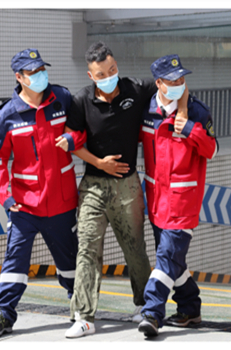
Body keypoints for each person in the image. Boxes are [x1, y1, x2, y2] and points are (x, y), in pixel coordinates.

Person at [0, 49, 80, 337]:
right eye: (33, 73)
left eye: (41, 70)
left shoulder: (62, 98)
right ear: (19, 77)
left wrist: (74, 139)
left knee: (70, 264)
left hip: (61, 203)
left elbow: (83, 130)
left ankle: (81, 308)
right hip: (24, 206)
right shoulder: (8, 115)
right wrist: (5, 197)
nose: (40, 76)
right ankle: (2, 315)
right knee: (15, 262)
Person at [59, 41, 154, 338]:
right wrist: (100, 163)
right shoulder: (81, 101)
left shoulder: (136, 89)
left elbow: (167, 86)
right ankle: (84, 316)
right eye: (102, 73)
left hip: (128, 185)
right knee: (87, 248)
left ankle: (144, 305)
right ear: (91, 75)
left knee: (135, 247)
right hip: (93, 186)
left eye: (112, 69)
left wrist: (184, 103)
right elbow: (71, 142)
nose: (109, 76)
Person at [136, 54, 217, 337]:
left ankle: (151, 312)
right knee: (173, 262)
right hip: (156, 201)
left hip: (183, 202)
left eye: (182, 79)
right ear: (159, 83)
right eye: (172, 80)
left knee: (166, 256)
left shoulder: (197, 113)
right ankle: (190, 308)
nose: (179, 84)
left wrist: (192, 130)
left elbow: (212, 150)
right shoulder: (145, 111)